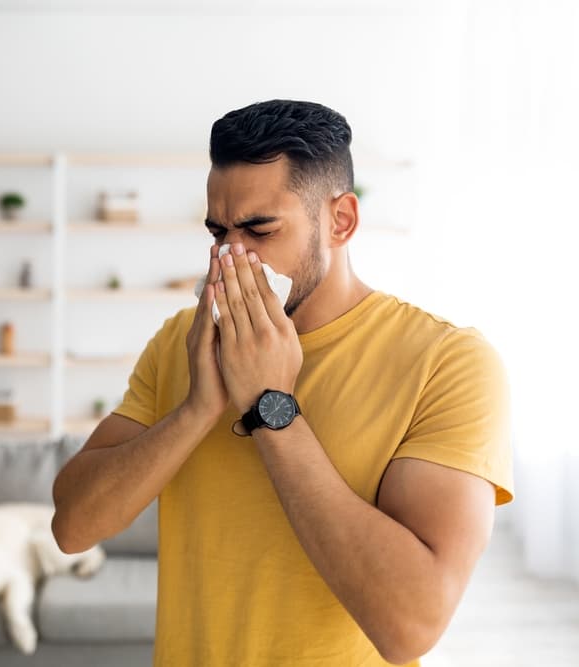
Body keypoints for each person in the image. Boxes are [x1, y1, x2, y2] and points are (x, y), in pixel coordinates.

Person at [51, 100, 512, 667]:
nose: (230, 254)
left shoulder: (447, 362)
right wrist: (198, 407)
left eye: (259, 229)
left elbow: (409, 625)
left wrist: (272, 407)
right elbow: (72, 527)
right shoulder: (184, 340)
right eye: (217, 230)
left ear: (340, 221)